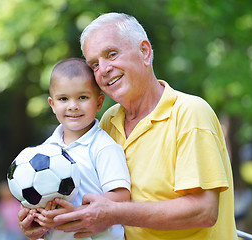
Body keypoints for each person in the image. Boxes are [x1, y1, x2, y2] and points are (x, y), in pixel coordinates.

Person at [19, 13, 238, 240]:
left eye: (111, 54)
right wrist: (41, 218)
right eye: (94, 64)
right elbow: (87, 203)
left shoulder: (190, 113)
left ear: (145, 51)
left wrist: (114, 213)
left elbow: (204, 211)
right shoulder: (107, 122)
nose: (103, 70)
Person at [20, 57, 131, 240]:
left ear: (99, 102)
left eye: (83, 97)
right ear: (52, 104)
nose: (73, 106)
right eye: (63, 98)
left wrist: (79, 213)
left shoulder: (104, 147)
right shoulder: (42, 154)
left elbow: (121, 197)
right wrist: (34, 219)